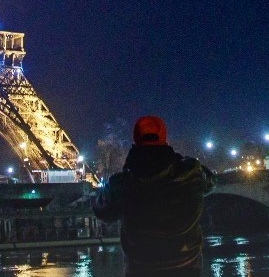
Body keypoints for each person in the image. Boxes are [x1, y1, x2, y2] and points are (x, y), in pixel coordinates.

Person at [93, 115, 217, 277]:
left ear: (136, 140)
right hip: (187, 268)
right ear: (164, 138)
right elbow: (212, 182)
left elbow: (101, 210)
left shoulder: (122, 184)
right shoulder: (191, 172)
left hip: (140, 269)